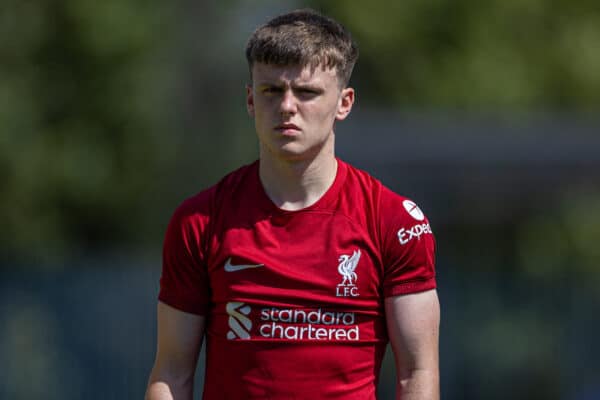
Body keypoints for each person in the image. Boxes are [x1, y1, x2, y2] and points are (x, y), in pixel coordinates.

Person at [146, 8, 439, 400]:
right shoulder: (200, 221)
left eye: (306, 92)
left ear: (344, 102)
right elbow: (171, 373)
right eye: (271, 91)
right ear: (250, 101)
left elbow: (417, 373)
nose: (286, 106)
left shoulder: (392, 221)